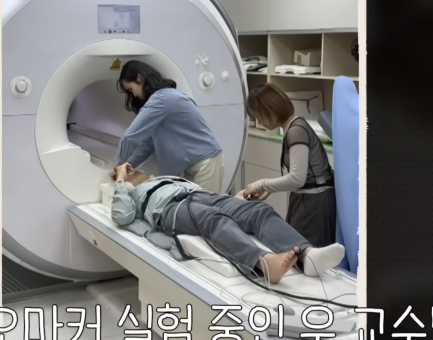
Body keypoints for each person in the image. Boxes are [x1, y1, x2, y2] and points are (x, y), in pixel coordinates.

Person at [109, 163, 345, 284]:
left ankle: (307, 255)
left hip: (203, 195)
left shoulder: (163, 178)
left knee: (258, 210)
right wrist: (120, 179)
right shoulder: (133, 193)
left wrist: (236, 200)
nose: (133, 170)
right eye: (128, 172)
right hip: (172, 208)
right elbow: (122, 216)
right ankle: (263, 263)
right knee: (212, 219)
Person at [242, 83, 337, 248]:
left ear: (272, 109)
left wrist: (260, 185)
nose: (259, 121)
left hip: (315, 204)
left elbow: (297, 179)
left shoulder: (296, 131)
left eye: (259, 115)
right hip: (307, 199)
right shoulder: (294, 127)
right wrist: (269, 189)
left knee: (304, 254)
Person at [113, 60, 226, 193]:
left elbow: (130, 137)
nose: (134, 95)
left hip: (206, 163)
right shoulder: (161, 100)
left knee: (203, 205)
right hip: (192, 165)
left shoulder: (162, 99)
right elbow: (149, 144)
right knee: (191, 205)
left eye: (131, 89)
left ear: (140, 79)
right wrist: (129, 164)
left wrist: (118, 168)